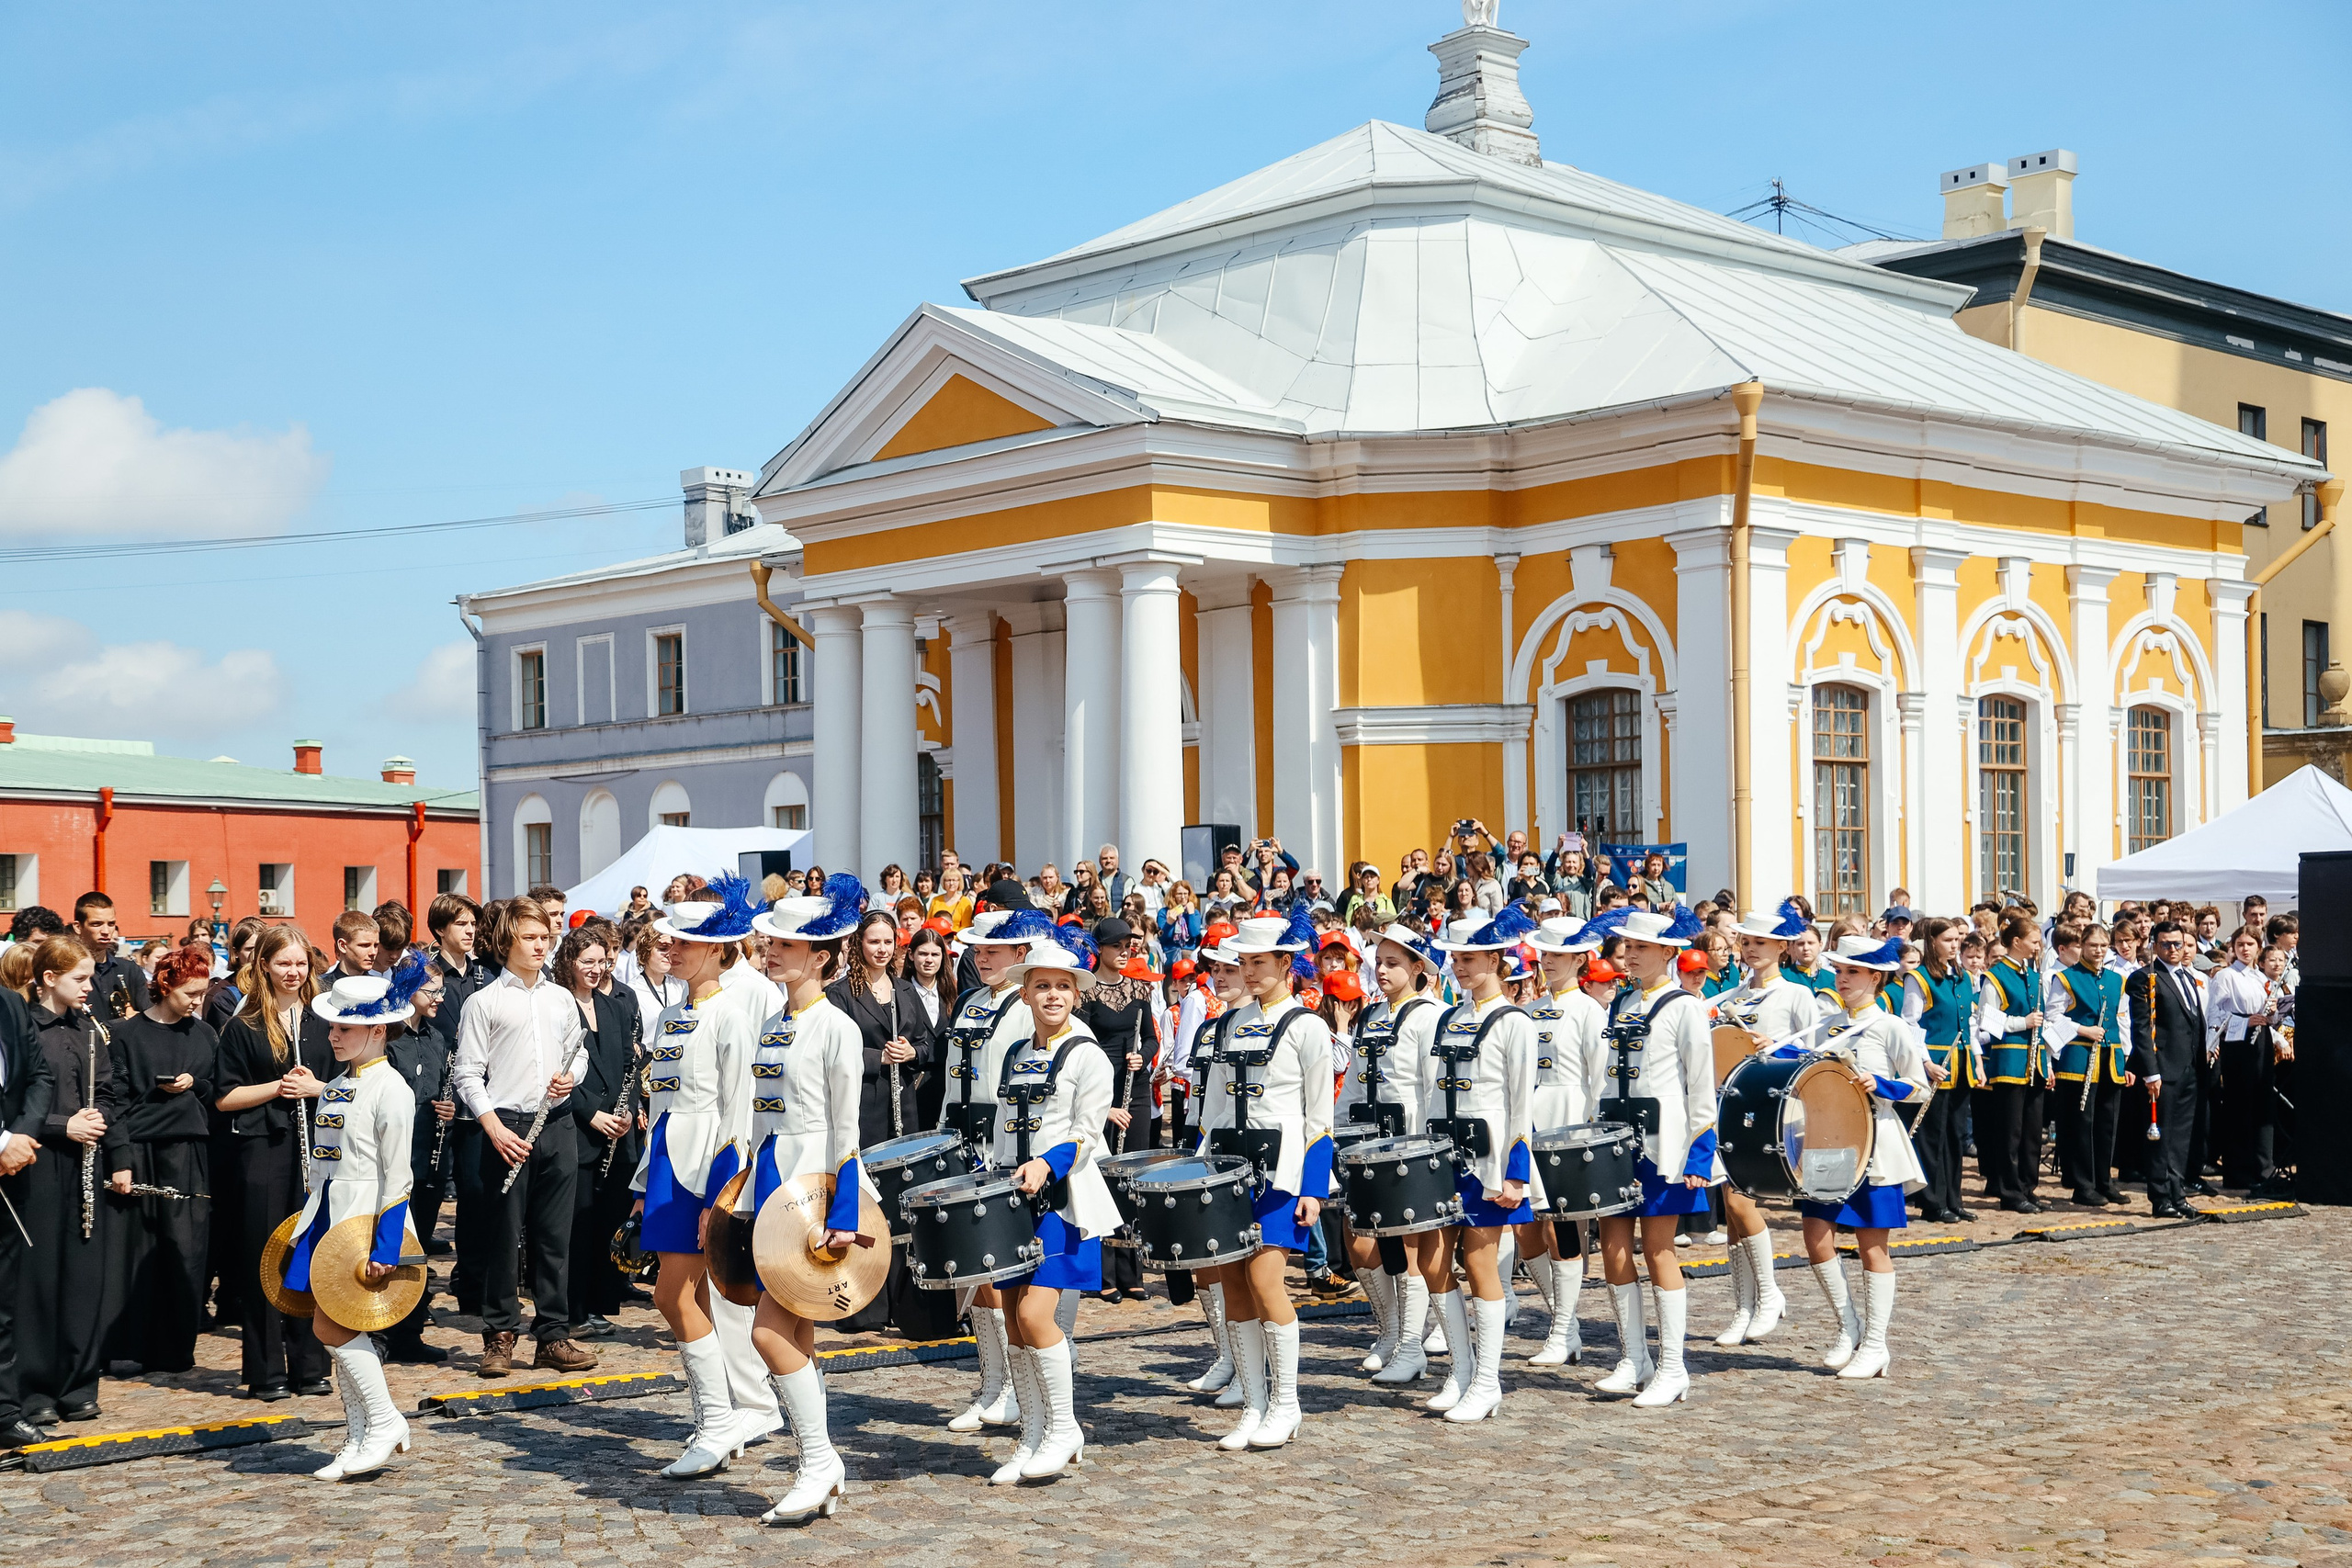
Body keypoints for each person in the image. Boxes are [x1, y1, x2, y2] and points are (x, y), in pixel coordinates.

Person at [741, 880, 873, 1523]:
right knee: (795, 1332)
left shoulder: (837, 1027)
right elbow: (764, 1118)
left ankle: (819, 1459)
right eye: (770, 940)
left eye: (784, 942)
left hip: (814, 1193)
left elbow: (847, 1133)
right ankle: (817, 1463)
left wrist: (840, 1215)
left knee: (767, 1331)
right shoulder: (774, 1022)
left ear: (820, 954)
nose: (769, 949)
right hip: (771, 1189)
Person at [633, 875, 773, 1478]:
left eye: (686, 940)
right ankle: (717, 1419)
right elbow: (660, 1108)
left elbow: (738, 1116)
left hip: (706, 1169)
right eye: (670, 939)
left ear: (720, 948)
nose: (673, 947)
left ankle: (720, 1423)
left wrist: (722, 1195)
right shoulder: (669, 1016)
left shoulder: (731, 1017)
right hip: (667, 1162)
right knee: (673, 1295)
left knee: (678, 1295)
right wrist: (644, 1183)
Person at [973, 931, 1116, 1483]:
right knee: (1012, 1320)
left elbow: (1085, 1134)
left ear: (1075, 996)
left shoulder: (1089, 1056)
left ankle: (1064, 1428)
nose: (1052, 995)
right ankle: (1032, 1433)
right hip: (1013, 1201)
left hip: (1064, 1201)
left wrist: (1046, 1164)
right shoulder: (1014, 1052)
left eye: (1062, 986)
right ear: (1025, 994)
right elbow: (1008, 1131)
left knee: (1036, 1315)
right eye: (1041, 987)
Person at [282, 962, 432, 1480]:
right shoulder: (340, 1084)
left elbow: (398, 1176)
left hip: (363, 1222)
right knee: (331, 1325)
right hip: (327, 1216)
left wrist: (385, 1247)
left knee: (335, 1326)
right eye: (332, 1026)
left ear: (376, 1029)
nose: (333, 1035)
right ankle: (361, 1434)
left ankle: (385, 1421)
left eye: (344, 1027)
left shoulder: (391, 1088)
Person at [1194, 907, 1334, 1450]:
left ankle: (1286, 1402)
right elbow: (1212, 1114)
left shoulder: (1308, 1026)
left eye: (1260, 962)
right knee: (1233, 1286)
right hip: (1228, 1169)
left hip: (1282, 1171)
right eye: (1243, 962)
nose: (1249, 972)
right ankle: (1253, 1404)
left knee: (1265, 1280)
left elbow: (1319, 1116)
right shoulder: (1226, 1023)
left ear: (1286, 962)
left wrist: (1314, 1189)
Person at [451, 897, 595, 1377]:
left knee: (556, 1236)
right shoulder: (483, 1001)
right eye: (530, 937)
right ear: (507, 941)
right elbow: (467, 1074)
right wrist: (492, 1127)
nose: (541, 944)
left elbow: (579, 1054)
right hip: (506, 1128)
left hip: (556, 1125)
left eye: (544, 937)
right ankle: (499, 1336)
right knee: (502, 1238)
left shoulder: (560, 998)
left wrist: (571, 1078)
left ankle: (552, 1335)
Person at [1593, 906, 1715, 1408]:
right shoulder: (1619, 1002)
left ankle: (1672, 1366)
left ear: (1668, 952)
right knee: (1614, 1250)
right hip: (1617, 1139)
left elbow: (1700, 1086)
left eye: (1641, 947)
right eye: (1627, 947)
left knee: (1658, 1249)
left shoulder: (1684, 1006)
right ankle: (1633, 1356)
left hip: (1663, 1144)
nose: (1631, 955)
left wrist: (1699, 1158)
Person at [1792, 935, 1931, 1381]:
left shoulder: (1892, 1026)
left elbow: (1921, 1086)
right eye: (1840, 971)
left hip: (1875, 1143)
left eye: (1852, 972)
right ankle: (1847, 1326)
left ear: (1876, 977)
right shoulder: (1824, 1024)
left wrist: (1882, 1084)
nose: (1843, 979)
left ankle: (1876, 1344)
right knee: (1815, 1237)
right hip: (1827, 1140)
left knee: (1873, 1245)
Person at [212, 925, 336, 1400]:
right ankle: (265, 1372)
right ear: (263, 964)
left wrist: (319, 1089)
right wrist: (281, 1086)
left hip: (318, 1150)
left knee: (310, 1253)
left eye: (301, 963)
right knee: (266, 1256)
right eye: (284, 963)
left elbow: (347, 1081)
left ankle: (310, 1365)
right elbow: (224, 1097)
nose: (294, 971)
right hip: (263, 1148)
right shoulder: (244, 1025)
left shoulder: (324, 1019)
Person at [1703, 902, 1830, 1340]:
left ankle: (1770, 1292)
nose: (1752, 949)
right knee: (1733, 1213)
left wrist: (1777, 1046)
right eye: (1748, 941)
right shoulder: (1733, 995)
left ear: (1781, 946)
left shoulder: (1796, 994)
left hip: (1771, 1109)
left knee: (1742, 1202)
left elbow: (1817, 1055)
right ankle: (1743, 1307)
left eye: (1761, 942)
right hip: (1729, 1105)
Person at [16, 935, 125, 1424]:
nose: (88, 987)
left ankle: (79, 1383)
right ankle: (35, 1390)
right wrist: (65, 1125)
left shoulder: (89, 1028)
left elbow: (107, 1089)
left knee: (84, 1275)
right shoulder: (23, 1029)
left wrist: (99, 1119)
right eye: (79, 979)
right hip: (38, 1162)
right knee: (40, 1278)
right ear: (48, 979)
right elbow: (17, 1103)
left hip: (86, 1162)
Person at [102, 943, 219, 1373]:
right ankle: (129, 1346)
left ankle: (175, 1347)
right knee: (135, 1253)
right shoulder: (128, 1035)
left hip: (189, 1150)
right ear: (165, 986)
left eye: (203, 992)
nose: (197, 1001)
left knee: (185, 1252)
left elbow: (216, 1092)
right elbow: (112, 1100)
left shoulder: (204, 1034)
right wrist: (120, 1157)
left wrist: (196, 1085)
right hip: (140, 1148)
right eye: (190, 992)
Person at [1339, 922, 1444, 1384]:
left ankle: (1410, 1344)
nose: (1380, 970)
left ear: (1417, 969)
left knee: (1410, 1247)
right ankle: (1391, 1330)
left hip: (1411, 1148)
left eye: (1392, 963)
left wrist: (1424, 1152)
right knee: (1359, 1240)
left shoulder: (1431, 1016)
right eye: (1377, 962)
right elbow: (1353, 1086)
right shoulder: (1372, 1016)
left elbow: (1432, 1090)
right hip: (1367, 1145)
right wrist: (1341, 1138)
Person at [824, 909, 933, 1334]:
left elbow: (929, 1043)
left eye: (888, 942)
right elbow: (833, 1052)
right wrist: (876, 1057)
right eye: (873, 942)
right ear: (858, 945)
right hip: (863, 1108)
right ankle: (861, 1305)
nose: (881, 949)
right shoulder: (840, 995)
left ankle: (901, 1302)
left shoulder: (906, 991)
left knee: (899, 1205)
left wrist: (913, 1053)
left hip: (903, 1108)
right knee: (864, 1205)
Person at [1520, 915, 1609, 1367]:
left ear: (1580, 959)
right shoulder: (1531, 1010)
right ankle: (1566, 1322)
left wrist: (1589, 1132)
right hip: (1529, 1119)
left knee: (1563, 1226)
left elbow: (1599, 1080)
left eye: (1558, 955)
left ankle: (1562, 1327)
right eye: (1545, 954)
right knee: (1525, 1227)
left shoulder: (1590, 1011)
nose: (1548, 961)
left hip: (1569, 1119)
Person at [551, 929, 637, 1339]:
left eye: (602, 961)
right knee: (576, 1226)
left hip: (616, 1133)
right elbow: (560, 1070)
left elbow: (627, 1067)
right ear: (568, 960)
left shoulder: (614, 1006)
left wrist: (627, 1110)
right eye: (587, 961)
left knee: (607, 1220)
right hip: (577, 1127)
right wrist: (593, 1114)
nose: (596, 969)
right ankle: (573, 1310)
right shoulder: (557, 1005)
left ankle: (599, 1303)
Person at [1079, 917, 1158, 1304]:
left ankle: (1132, 1269)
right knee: (1105, 1180)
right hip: (1102, 1095)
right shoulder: (1087, 994)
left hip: (1136, 1091)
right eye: (1118, 946)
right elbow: (1080, 1048)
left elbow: (1151, 1039)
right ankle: (1104, 1271)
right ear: (1101, 950)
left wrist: (1142, 1057)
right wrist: (1105, 1106)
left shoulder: (1140, 988)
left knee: (1132, 1178)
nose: (1126, 952)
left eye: (1130, 946)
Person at [380, 961, 452, 1360]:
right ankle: (378, 1331)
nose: (440, 998)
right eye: (431, 991)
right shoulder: (386, 1038)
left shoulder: (438, 1037)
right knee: (386, 1244)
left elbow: (443, 1085)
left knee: (419, 1247)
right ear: (408, 991)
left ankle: (409, 1335)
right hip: (395, 1156)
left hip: (431, 1156)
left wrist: (449, 1107)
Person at [1975, 916, 2051, 1214]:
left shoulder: (2033, 976)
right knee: (2011, 1132)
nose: (2038, 946)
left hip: (2034, 1062)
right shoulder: (1995, 976)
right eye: (2034, 941)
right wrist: (2023, 1022)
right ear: (2017, 942)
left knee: (2032, 1132)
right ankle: (2009, 1190)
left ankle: (2027, 1187)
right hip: (2009, 1062)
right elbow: (1986, 1019)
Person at [1907, 918, 1977, 1223]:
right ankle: (1933, 1202)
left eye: (1956, 939)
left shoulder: (1961, 977)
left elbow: (1969, 1023)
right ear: (1931, 941)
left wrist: (1976, 1060)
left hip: (1960, 1065)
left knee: (1955, 1134)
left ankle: (1954, 1197)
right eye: (1947, 940)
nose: (1954, 944)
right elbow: (1910, 1025)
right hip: (1935, 1064)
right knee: (1932, 1136)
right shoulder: (1918, 978)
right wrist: (1925, 1062)